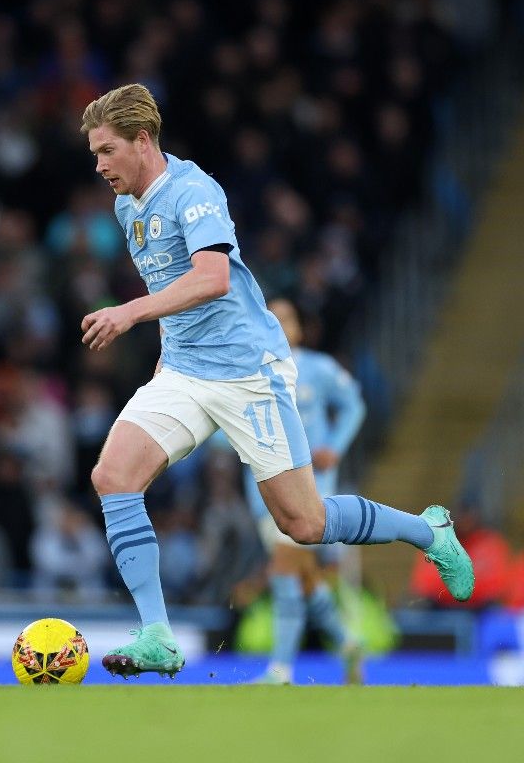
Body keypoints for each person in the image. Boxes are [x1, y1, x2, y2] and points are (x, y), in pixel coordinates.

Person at [77, 84, 474, 679]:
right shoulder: (127, 206)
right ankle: (158, 634)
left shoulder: (194, 191)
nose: (100, 166)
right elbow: (170, 285)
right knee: (112, 476)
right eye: (94, 155)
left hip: (246, 373)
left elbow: (210, 278)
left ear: (142, 140)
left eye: (107, 151)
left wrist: (130, 313)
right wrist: (165, 350)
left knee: (304, 525)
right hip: (185, 371)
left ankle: (428, 530)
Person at [239, 298, 366, 684]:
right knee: (303, 579)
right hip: (262, 489)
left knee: (284, 572)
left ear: (297, 329)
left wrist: (336, 447)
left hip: (309, 486)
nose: (278, 325)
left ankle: (280, 669)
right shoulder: (247, 372)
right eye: (270, 319)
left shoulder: (317, 368)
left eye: (286, 319)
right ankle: (347, 642)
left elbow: (354, 405)